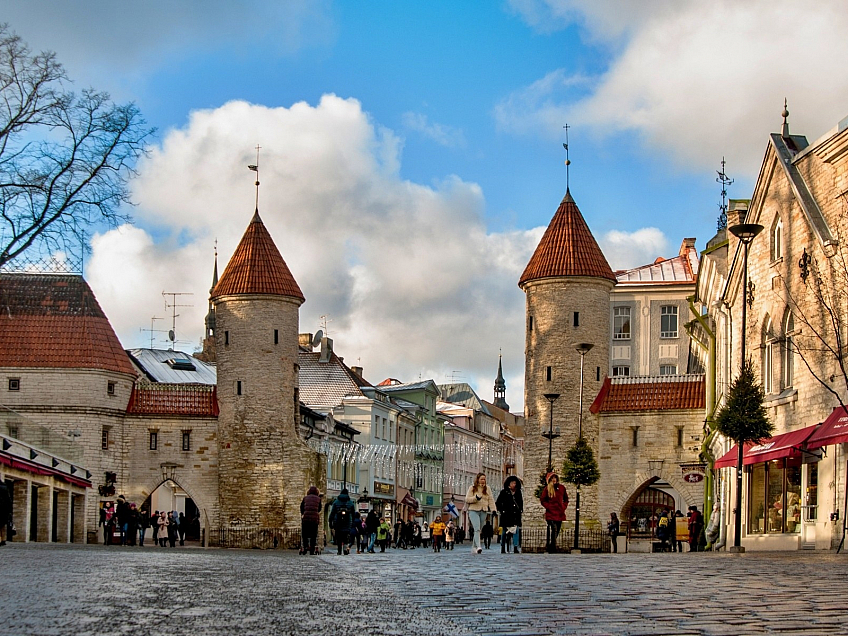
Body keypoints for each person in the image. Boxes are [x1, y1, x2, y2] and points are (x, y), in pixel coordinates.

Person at [465, 473, 496, 554]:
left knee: (479, 530)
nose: (483, 481)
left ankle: (474, 547)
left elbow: (491, 500)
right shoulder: (472, 488)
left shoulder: (487, 488)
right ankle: (479, 546)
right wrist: (476, 498)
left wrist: (493, 510)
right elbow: (467, 499)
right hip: (473, 510)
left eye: (484, 479)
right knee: (477, 528)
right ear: (478, 479)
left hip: (484, 510)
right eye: (481, 479)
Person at [539, 472, 568, 553]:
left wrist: (563, 506)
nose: (554, 480)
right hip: (551, 513)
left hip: (559, 512)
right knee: (554, 529)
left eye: (555, 478)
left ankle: (551, 545)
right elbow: (543, 500)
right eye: (552, 478)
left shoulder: (562, 488)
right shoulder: (547, 489)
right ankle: (553, 547)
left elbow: (566, 499)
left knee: (557, 530)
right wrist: (548, 506)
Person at [496, 475, 523, 554]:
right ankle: (503, 546)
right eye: (512, 483)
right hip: (506, 515)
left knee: (516, 531)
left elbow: (520, 502)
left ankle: (515, 547)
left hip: (515, 515)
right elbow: (498, 503)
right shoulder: (504, 492)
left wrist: (520, 510)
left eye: (514, 483)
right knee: (504, 531)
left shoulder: (518, 492)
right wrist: (502, 510)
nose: (513, 484)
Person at [329, 488, 355, 555]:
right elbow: (353, 514)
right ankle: (345, 549)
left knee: (339, 537)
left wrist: (331, 523)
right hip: (347, 523)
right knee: (346, 537)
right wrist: (353, 523)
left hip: (338, 522)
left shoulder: (336, 502)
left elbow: (332, 513)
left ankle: (339, 550)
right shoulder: (350, 502)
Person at [300, 485, 321, 555]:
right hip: (314, 520)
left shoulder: (305, 498)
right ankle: (312, 549)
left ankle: (305, 547)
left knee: (305, 534)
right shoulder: (318, 499)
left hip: (306, 519)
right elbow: (319, 508)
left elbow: (301, 507)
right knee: (313, 535)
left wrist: (303, 513)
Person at [0, 481, 11, 546]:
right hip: (4, 510)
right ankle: (3, 540)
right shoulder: (5, 487)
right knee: (2, 526)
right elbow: (8, 500)